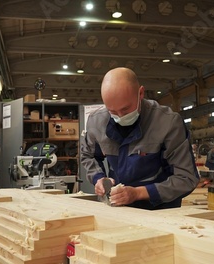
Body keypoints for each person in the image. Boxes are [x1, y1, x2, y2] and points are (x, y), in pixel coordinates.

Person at [80, 67, 200, 210]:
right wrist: (98, 178)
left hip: (159, 210)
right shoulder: (97, 122)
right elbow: (88, 155)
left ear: (141, 93)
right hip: (117, 208)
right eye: (112, 111)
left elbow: (186, 179)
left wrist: (138, 193)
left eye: (125, 109)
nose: (120, 116)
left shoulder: (168, 123)